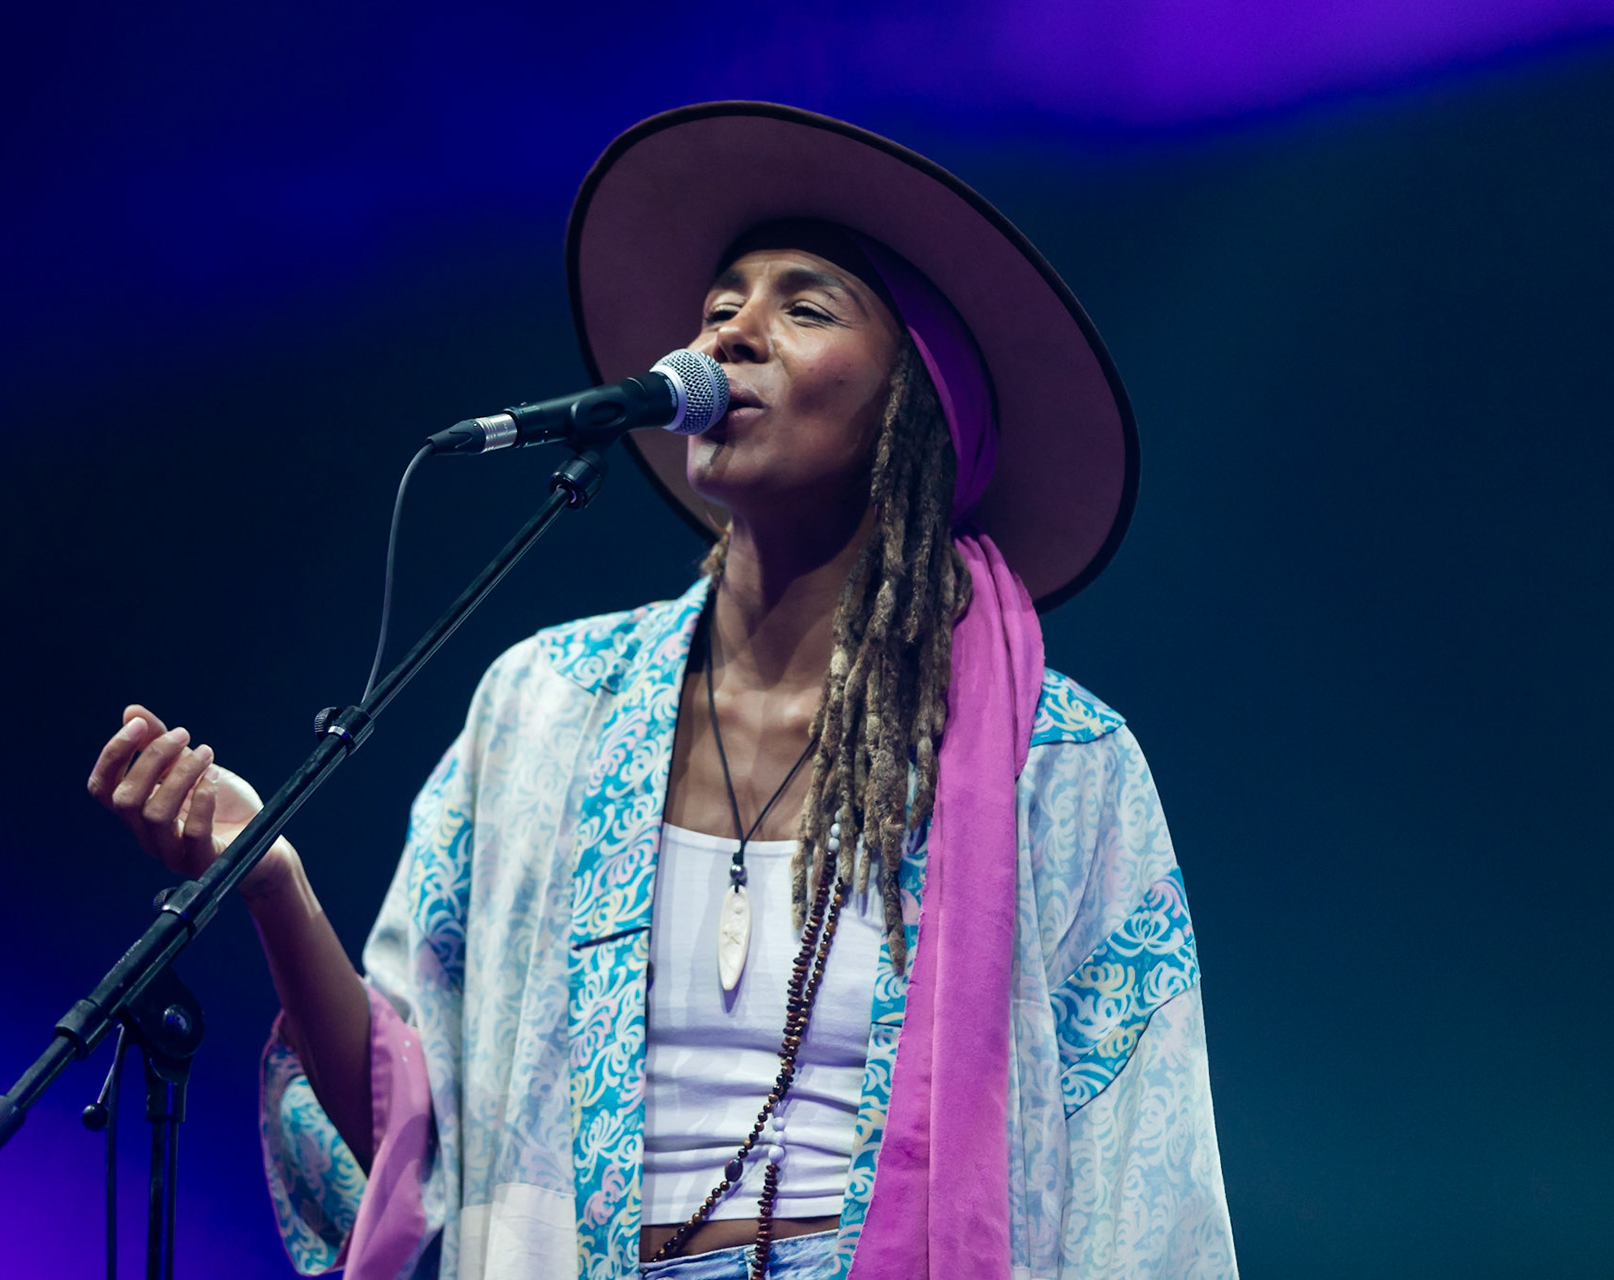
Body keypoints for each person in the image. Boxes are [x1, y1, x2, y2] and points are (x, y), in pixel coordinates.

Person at [86, 104, 1237, 1280]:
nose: (734, 331)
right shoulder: (546, 711)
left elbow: (1141, 1197)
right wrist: (273, 881)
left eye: (806, 307)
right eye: (720, 303)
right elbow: (409, 1132)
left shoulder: (1057, 764)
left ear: (921, 400)